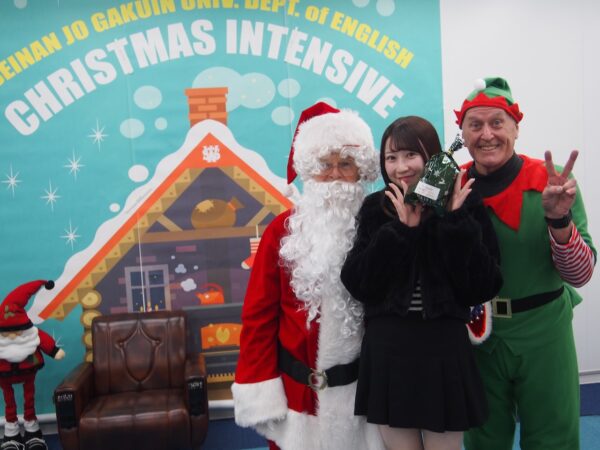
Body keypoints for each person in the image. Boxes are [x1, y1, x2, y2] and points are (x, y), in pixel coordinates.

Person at [340, 116, 503, 450]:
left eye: (410, 155)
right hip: (388, 350)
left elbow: (483, 286)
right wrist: (400, 232)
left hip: (443, 348)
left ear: (431, 156)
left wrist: (454, 222)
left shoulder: (463, 203)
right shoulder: (376, 208)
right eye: (391, 157)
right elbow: (358, 284)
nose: (401, 167)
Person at [231, 102, 385, 450]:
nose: (334, 175)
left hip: (365, 402)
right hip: (296, 404)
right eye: (324, 165)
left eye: (345, 164)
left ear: (360, 171)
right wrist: (261, 391)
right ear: (309, 170)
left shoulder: (379, 229)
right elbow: (258, 317)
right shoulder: (282, 232)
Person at [454, 77, 597, 450]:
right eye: (475, 124)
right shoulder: (452, 188)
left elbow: (580, 274)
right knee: (482, 439)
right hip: (478, 334)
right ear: (462, 134)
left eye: (497, 123)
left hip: (544, 331)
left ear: (516, 128)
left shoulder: (553, 183)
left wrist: (559, 221)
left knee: (553, 438)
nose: (487, 134)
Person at [0, 280, 66, 450]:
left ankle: (32, 430)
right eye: (7, 333)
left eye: (17, 331)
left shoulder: (32, 333)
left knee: (29, 396)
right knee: (9, 400)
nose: (13, 336)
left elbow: (43, 339)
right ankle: (11, 433)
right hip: (4, 371)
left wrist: (54, 351)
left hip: (28, 367)